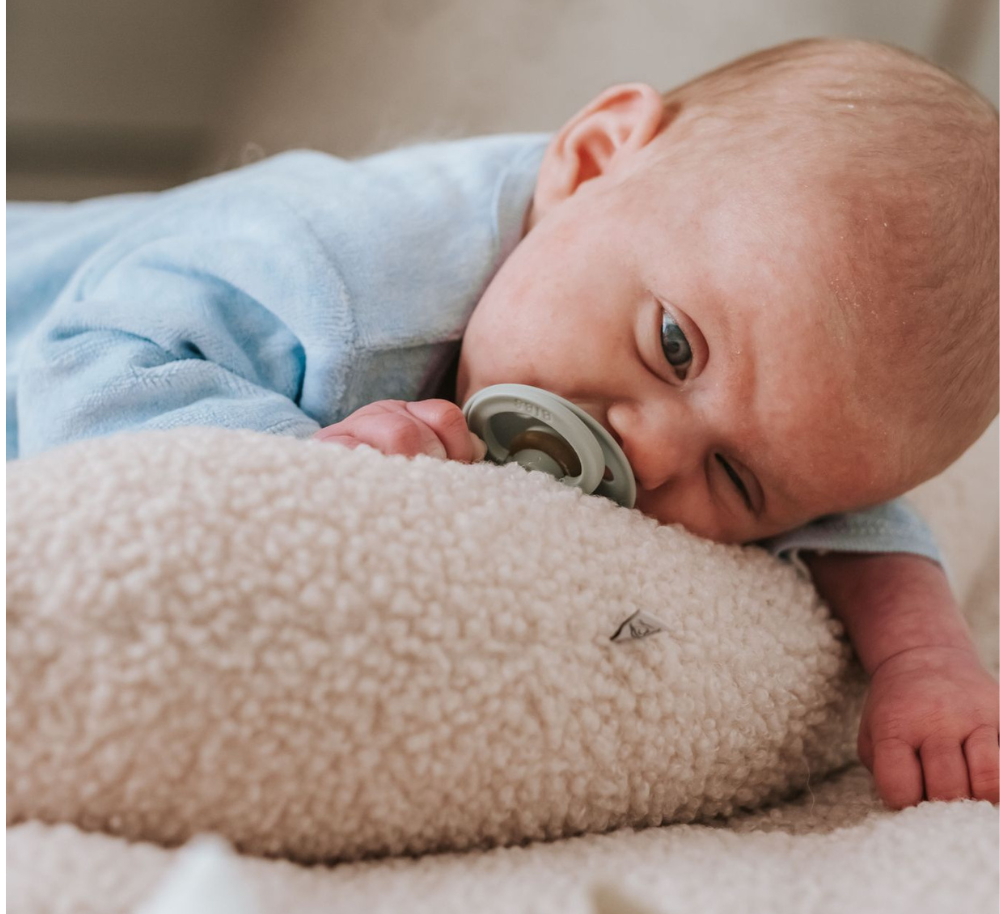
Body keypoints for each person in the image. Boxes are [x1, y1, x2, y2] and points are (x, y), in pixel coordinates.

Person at [7, 38, 998, 808]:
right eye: (674, 346)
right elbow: (81, 372)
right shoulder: (327, 270)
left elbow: (851, 509)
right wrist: (300, 464)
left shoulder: (755, 358)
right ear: (593, 159)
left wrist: (925, 661)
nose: (650, 453)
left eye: (735, 478)